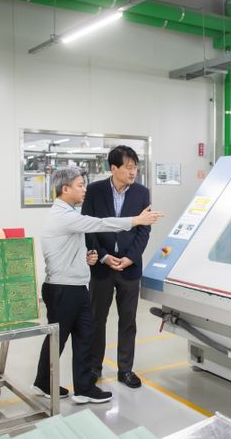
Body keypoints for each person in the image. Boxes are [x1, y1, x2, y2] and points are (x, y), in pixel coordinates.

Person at [32, 166, 163, 404]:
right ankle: (44, 382)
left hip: (75, 286)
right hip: (63, 288)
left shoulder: (67, 213)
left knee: (84, 337)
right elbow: (101, 224)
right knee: (58, 339)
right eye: (80, 185)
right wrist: (136, 220)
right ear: (65, 189)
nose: (84, 189)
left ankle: (83, 388)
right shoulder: (64, 216)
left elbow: (68, 248)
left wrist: (87, 257)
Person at [82, 145, 151, 388]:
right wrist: (102, 256)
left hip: (129, 268)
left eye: (135, 167)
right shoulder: (95, 191)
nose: (133, 172)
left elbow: (143, 230)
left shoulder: (142, 193)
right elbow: (88, 227)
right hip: (102, 267)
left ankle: (125, 370)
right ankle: (94, 367)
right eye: (128, 167)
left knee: (128, 320)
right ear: (114, 168)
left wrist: (131, 257)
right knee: (96, 319)